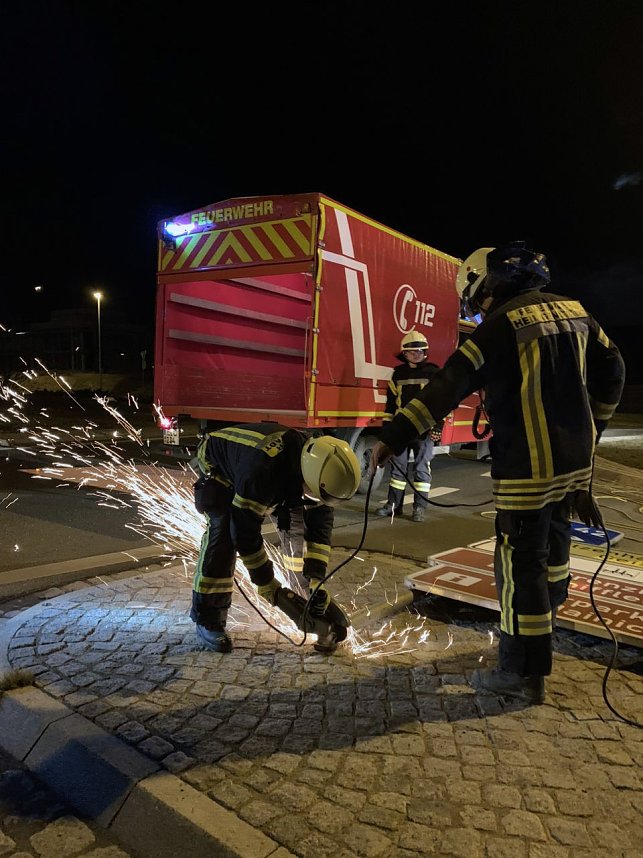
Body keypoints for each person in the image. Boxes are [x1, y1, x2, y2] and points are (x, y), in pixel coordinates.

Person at [371, 242, 625, 704]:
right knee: (555, 548)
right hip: (574, 465)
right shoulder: (577, 311)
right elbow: (614, 369)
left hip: (526, 469)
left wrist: (395, 435)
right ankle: (543, 628)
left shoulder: (495, 329)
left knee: (519, 566)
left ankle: (521, 672)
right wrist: (595, 428)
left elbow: (447, 387)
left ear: (487, 284)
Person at [191, 422, 361, 654]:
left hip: (279, 474)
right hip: (220, 470)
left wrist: (315, 580)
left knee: (298, 529)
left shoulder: (318, 466)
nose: (316, 501)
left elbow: (319, 530)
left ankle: (304, 594)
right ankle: (208, 619)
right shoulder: (260, 473)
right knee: (224, 535)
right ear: (307, 479)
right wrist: (266, 583)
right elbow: (244, 533)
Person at [376, 330, 442, 522]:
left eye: (420, 351)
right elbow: (390, 405)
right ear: (404, 354)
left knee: (421, 468)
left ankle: (419, 508)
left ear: (425, 352)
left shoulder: (433, 373)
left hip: (424, 429)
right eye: (412, 352)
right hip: (400, 430)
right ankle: (393, 506)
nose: (416, 354)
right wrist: (387, 430)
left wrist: (438, 427)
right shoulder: (398, 374)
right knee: (397, 470)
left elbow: (440, 403)